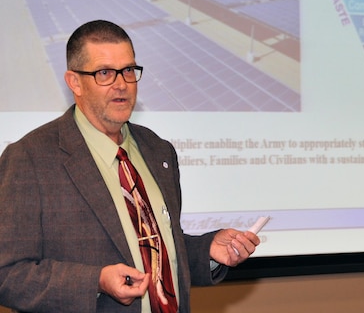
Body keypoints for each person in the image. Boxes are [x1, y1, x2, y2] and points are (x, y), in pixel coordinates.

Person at [0, 20, 260, 312]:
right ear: (74, 82)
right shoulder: (30, 159)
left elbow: (152, 247)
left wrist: (207, 251)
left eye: (128, 71)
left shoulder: (158, 151)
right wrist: (95, 281)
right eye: (105, 73)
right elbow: (7, 274)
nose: (122, 84)